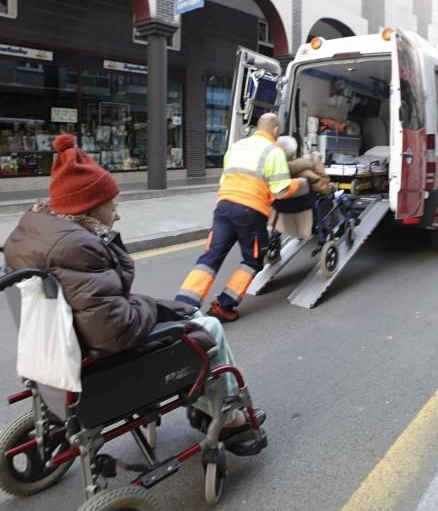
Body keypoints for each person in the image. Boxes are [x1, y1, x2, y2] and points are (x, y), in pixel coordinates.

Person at [3, 134, 265, 444]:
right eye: (112, 204)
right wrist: (151, 308)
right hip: (97, 357)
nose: (117, 213)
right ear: (90, 207)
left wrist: (152, 306)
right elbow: (114, 331)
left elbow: (95, 306)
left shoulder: (32, 232)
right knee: (208, 327)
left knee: (186, 309)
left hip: (55, 351)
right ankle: (226, 415)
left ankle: (206, 404)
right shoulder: (76, 248)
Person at [176, 113, 309, 322]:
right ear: (275, 131)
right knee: (252, 260)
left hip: (223, 207)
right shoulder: (273, 152)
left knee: (211, 257)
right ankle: (224, 306)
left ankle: (183, 307)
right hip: (250, 211)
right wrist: (300, 183)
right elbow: (281, 190)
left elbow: (226, 178)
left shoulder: (236, 146)